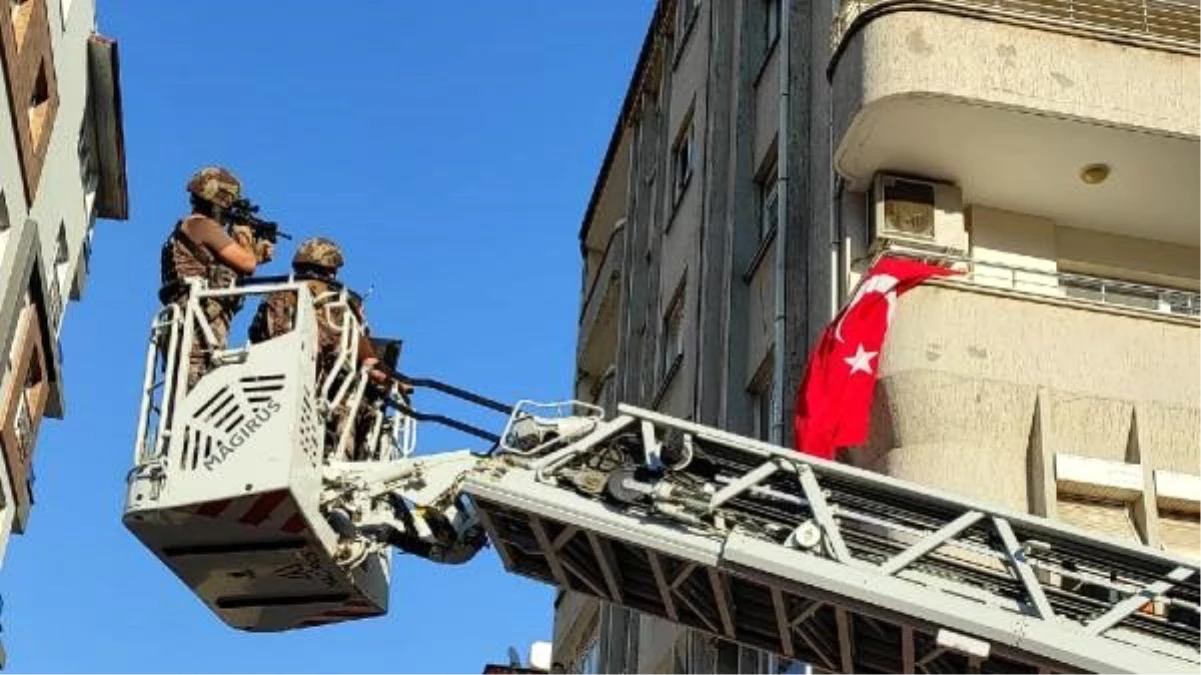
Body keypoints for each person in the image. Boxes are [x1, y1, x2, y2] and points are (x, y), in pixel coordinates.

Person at [248, 237, 394, 458]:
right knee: (359, 398)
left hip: (271, 387)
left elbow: (255, 334)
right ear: (332, 268)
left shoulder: (278, 295)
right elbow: (363, 353)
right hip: (322, 392)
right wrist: (392, 378)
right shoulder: (334, 300)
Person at [159, 166, 274, 390]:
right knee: (197, 394)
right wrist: (244, 234)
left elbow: (230, 264)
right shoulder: (202, 226)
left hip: (190, 323)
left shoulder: (189, 227)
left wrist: (255, 251)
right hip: (197, 327)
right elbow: (246, 263)